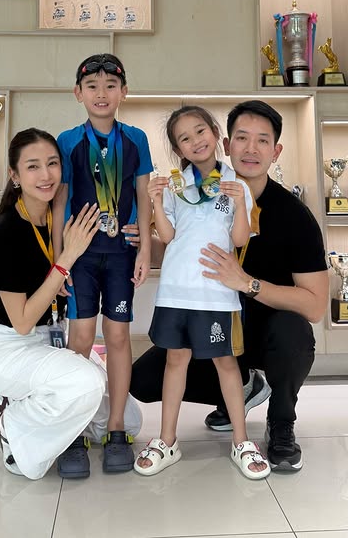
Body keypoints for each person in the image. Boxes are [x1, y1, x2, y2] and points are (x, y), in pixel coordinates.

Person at [130, 100, 328, 472]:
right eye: (242, 138)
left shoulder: (294, 216)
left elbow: (316, 307)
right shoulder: (195, 188)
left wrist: (247, 283)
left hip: (264, 328)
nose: (251, 149)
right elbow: (180, 243)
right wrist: (141, 242)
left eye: (262, 141)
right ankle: (245, 387)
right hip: (207, 311)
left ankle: (281, 423)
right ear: (226, 143)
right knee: (142, 379)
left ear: (276, 152)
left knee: (294, 332)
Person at [134, 106, 269, 480]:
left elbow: (239, 239)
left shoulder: (236, 184)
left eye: (200, 131)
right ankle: (167, 440)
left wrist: (239, 203)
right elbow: (168, 235)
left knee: (226, 363)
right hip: (176, 291)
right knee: (174, 361)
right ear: (178, 149)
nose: (195, 141)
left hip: (216, 292)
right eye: (185, 138)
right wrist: (156, 201)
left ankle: (241, 441)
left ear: (214, 132)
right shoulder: (176, 185)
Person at [0, 127, 104, 480]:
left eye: (52, 163)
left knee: (124, 418)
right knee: (86, 386)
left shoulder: (54, 216)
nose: (46, 175)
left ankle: (31, 401)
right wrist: (66, 260)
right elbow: (21, 322)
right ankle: (11, 422)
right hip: (13, 348)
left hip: (54, 338)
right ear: (15, 175)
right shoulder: (7, 231)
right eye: (33, 166)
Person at [57, 53, 153, 473]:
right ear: (78, 93)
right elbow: (59, 202)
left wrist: (145, 248)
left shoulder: (135, 139)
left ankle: (116, 429)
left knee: (117, 336)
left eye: (110, 86)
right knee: (79, 339)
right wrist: (60, 262)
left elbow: (144, 195)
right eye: (92, 86)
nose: (102, 93)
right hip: (79, 256)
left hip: (120, 254)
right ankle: (75, 432)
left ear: (124, 92)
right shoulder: (67, 141)